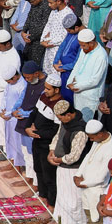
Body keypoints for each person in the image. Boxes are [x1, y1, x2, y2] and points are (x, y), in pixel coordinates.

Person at [49, 100, 91, 224]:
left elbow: (75, 155)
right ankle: (62, 221)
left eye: (61, 117)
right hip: (61, 168)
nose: (60, 120)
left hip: (74, 169)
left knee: (74, 200)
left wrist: (60, 159)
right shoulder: (65, 123)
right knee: (62, 196)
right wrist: (51, 151)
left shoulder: (80, 130)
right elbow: (57, 137)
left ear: (69, 114)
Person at [28, 76, 65, 206]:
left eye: (48, 89)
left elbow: (56, 131)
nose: (45, 91)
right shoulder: (43, 97)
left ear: (57, 90)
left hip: (47, 145)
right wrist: (28, 127)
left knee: (49, 176)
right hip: (36, 141)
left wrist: (37, 133)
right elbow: (34, 113)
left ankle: (52, 204)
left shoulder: (60, 105)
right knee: (38, 169)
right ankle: (42, 197)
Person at [67, 28, 109, 121]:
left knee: (87, 123)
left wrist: (77, 86)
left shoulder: (101, 56)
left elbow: (95, 80)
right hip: (78, 95)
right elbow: (77, 66)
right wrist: (69, 82)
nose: (81, 48)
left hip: (90, 97)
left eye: (83, 45)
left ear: (91, 43)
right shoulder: (85, 50)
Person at [40, 0, 74, 72]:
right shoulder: (53, 12)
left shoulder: (68, 14)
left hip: (59, 50)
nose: (49, 5)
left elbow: (65, 36)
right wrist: (42, 40)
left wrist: (49, 42)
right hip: (49, 48)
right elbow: (48, 26)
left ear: (58, 1)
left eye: (51, 3)